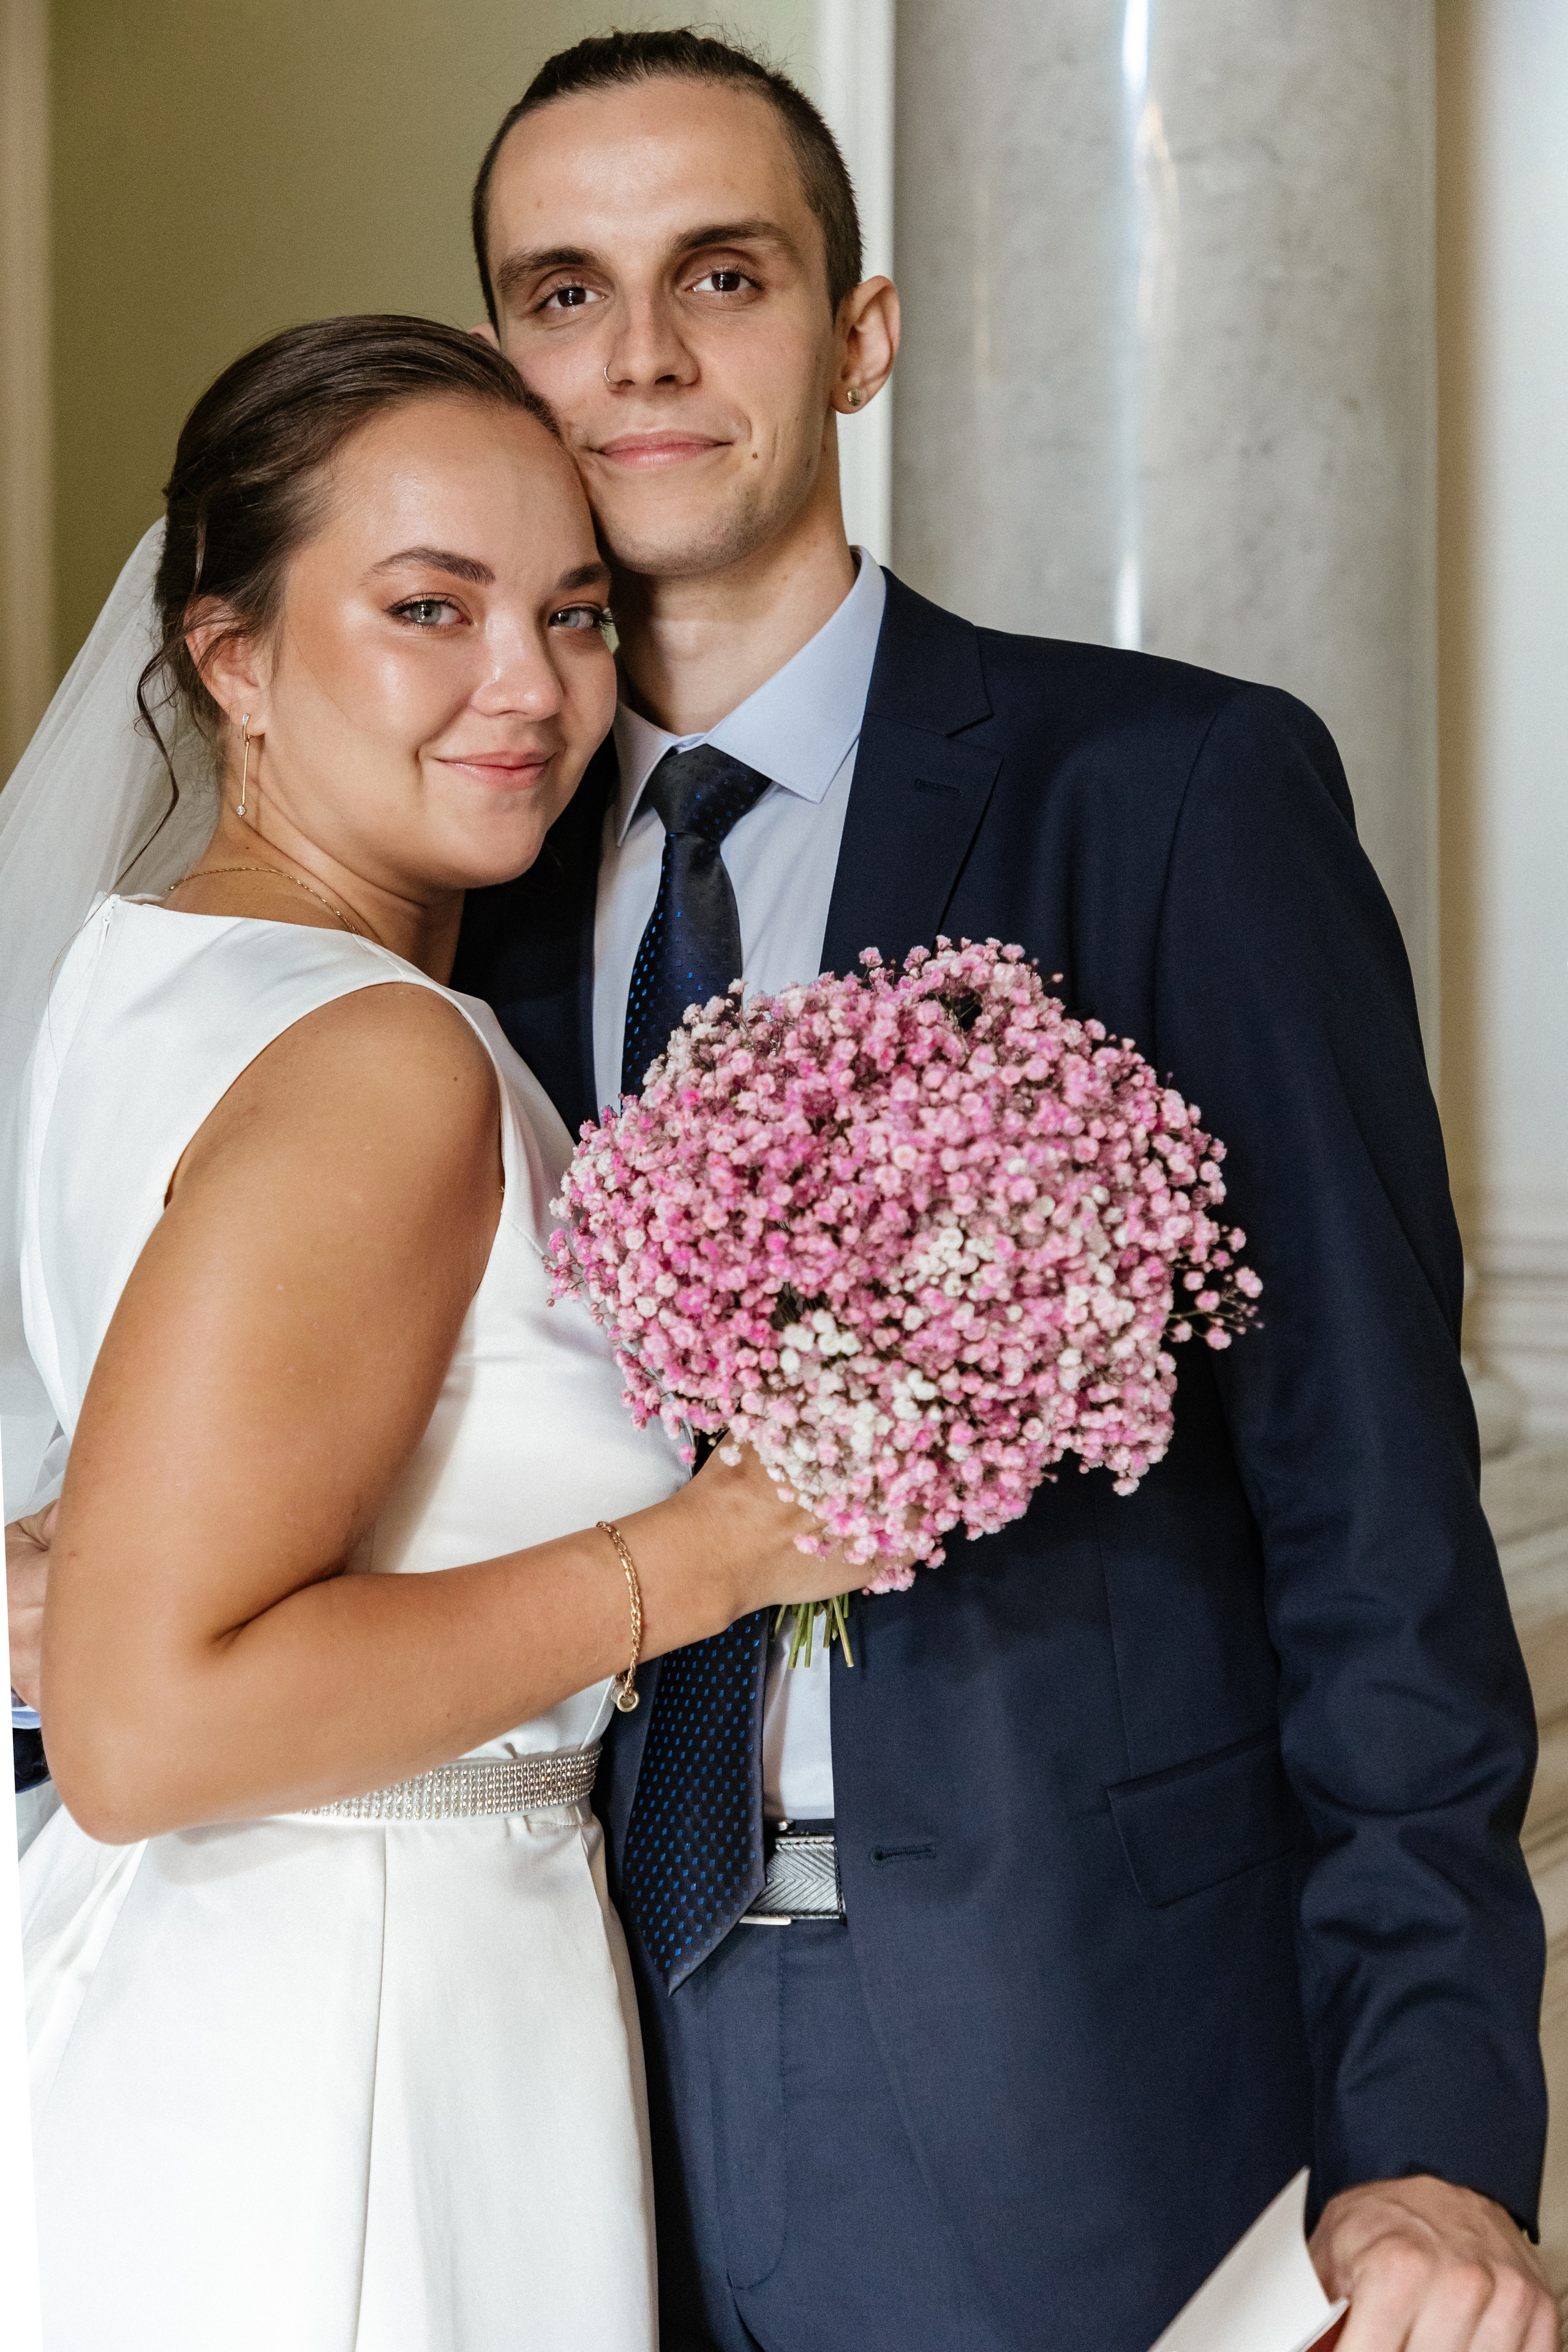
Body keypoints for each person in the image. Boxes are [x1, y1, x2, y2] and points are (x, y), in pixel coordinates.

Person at [7, 29, 1556, 2352]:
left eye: (720, 275)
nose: (638, 354)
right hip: (557, 2054)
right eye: (563, 292)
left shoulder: (1169, 795)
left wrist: (1432, 2135)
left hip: (1071, 2074)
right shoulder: (445, 903)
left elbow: (1379, 1521)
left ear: (861, 333)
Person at [2, 312, 862, 2351]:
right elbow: (145, 1729)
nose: (531, 686)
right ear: (230, 657)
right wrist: (719, 1550)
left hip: (260, 1980)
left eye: (573, 613)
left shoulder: (146, 972)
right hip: (343, 2035)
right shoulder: (379, 1059)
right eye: (427, 609)